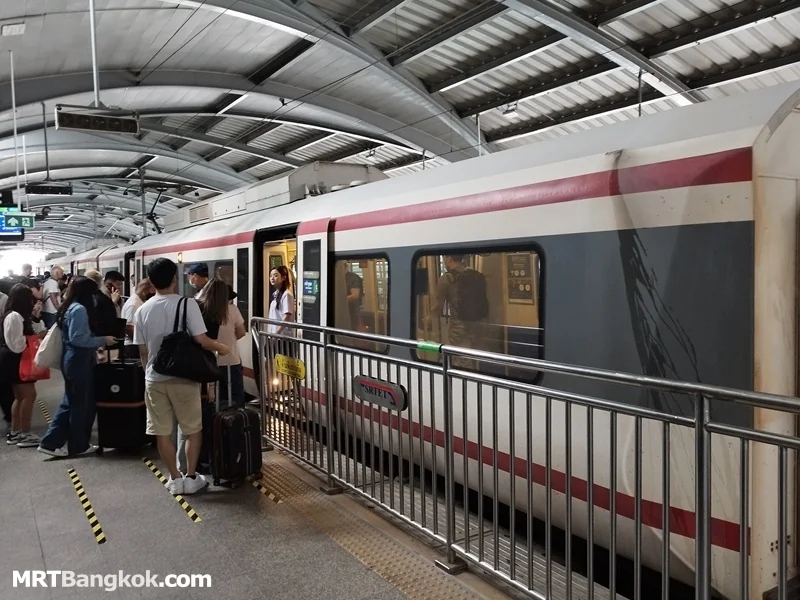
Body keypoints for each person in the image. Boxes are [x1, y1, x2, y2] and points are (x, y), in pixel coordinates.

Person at [134, 258, 229, 495]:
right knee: (192, 429)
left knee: (162, 432)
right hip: (184, 378)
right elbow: (201, 340)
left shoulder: (142, 309)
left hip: (154, 379)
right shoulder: (187, 305)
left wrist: (150, 372)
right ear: (174, 279)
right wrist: (221, 347)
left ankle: (174, 479)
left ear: (151, 281)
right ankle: (191, 476)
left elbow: (143, 351)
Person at [38, 277, 116, 458]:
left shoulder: (70, 306)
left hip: (73, 360)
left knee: (71, 402)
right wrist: (102, 340)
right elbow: (78, 338)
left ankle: (53, 442)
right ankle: (75, 444)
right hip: (79, 361)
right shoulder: (80, 310)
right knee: (80, 404)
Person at [0, 284, 43, 448]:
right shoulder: (14, 317)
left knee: (20, 397)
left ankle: (16, 431)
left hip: (13, 360)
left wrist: (36, 317)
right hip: (15, 360)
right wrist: (36, 337)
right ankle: (24, 433)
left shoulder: (16, 315)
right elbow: (16, 344)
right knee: (29, 395)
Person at [121, 278, 154, 359]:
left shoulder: (139, 302)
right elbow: (129, 327)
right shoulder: (134, 304)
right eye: (153, 291)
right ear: (145, 291)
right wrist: (141, 343)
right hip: (132, 346)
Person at [268, 266, 295, 336]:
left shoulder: (287, 295)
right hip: (273, 334)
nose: (272, 278)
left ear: (283, 278)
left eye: (276, 275)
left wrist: (277, 332)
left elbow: (287, 316)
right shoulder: (275, 294)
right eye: (270, 276)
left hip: (282, 336)